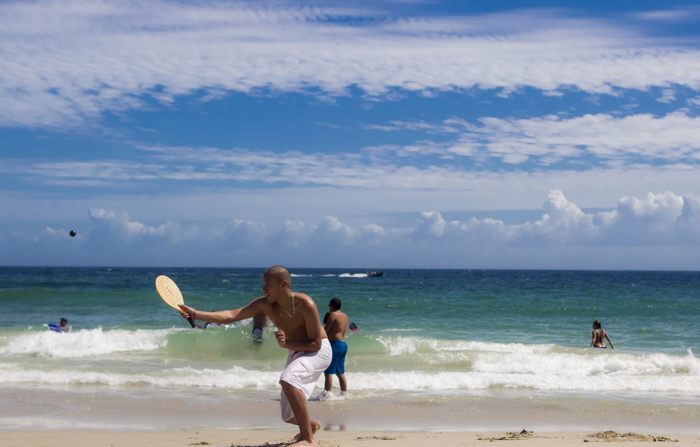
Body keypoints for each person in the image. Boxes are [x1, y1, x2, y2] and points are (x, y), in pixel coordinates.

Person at [178, 265, 330, 447]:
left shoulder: (305, 304)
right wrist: (195, 314)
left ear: (284, 284)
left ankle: (308, 439)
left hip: (319, 351)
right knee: (288, 415)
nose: (264, 289)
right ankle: (311, 426)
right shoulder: (264, 304)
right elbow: (232, 315)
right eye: (263, 285)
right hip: (297, 351)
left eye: (268, 285)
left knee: (288, 379)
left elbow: (316, 343)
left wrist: (285, 344)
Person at [321, 297, 349, 398]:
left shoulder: (333, 315)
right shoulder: (345, 316)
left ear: (332, 306)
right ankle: (344, 393)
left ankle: (326, 394)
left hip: (334, 344)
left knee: (328, 371)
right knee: (339, 370)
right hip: (343, 344)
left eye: (329, 305)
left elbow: (326, 330)